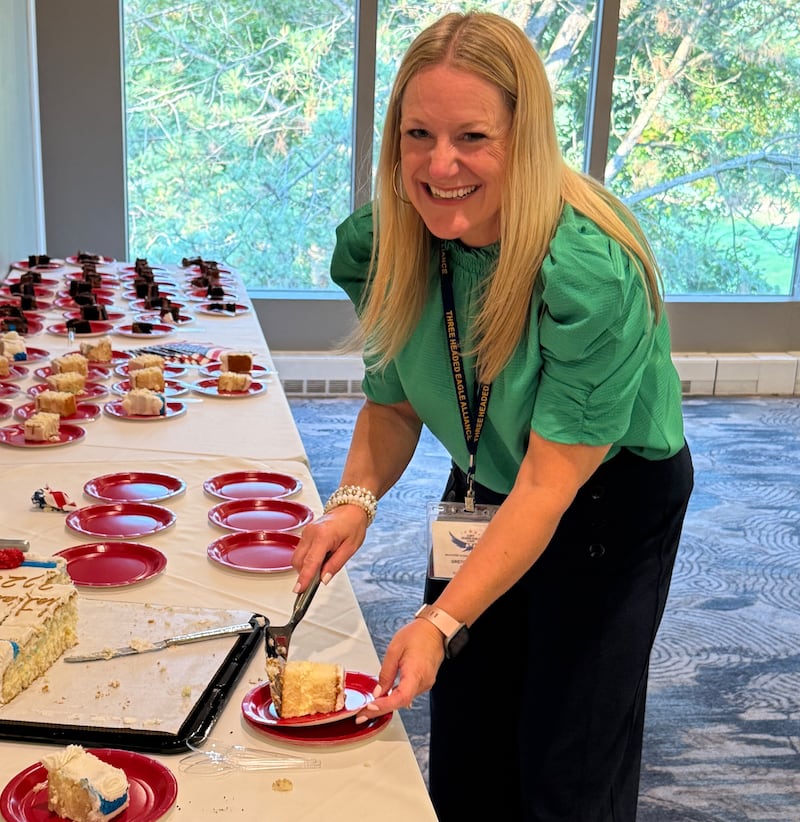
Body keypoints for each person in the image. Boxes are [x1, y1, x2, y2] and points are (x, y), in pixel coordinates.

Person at [291, 11, 694, 821]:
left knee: (566, 759)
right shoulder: (389, 241)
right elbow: (394, 401)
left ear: (526, 139)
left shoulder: (588, 273)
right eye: (417, 134)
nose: (440, 166)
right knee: (470, 739)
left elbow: (549, 484)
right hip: (484, 478)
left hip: (604, 498)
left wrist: (439, 617)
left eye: (473, 137)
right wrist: (353, 501)